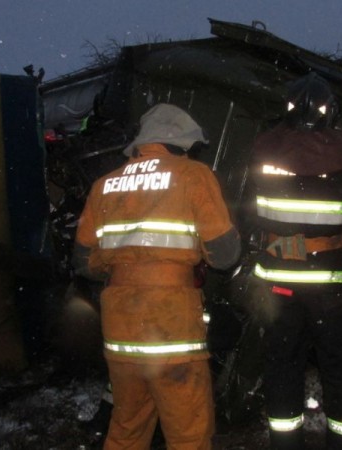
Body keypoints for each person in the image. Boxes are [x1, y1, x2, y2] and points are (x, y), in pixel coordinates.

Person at [72, 103, 241, 450]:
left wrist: (121, 262)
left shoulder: (104, 185)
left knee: (127, 428)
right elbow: (225, 256)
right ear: (182, 144)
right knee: (188, 433)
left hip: (120, 327)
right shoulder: (193, 175)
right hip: (171, 326)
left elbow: (83, 262)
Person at [247, 73, 342, 449]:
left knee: (282, 363)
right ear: (329, 112)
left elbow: (247, 211)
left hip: (278, 281)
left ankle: (285, 443)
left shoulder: (263, 148)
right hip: (329, 281)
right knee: (341, 365)